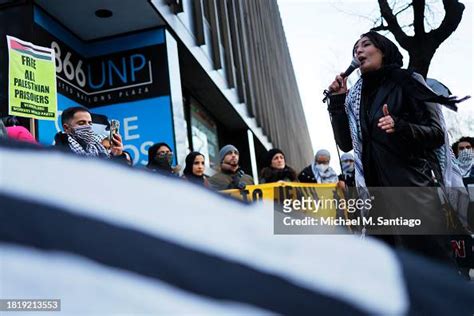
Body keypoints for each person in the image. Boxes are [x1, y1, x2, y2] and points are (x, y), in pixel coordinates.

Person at [326, 31, 468, 261]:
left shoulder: (408, 80)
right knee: (389, 274)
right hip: (375, 202)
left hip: (412, 192)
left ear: (383, 50)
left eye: (366, 45)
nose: (358, 51)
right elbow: (345, 144)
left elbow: (436, 133)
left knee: (429, 267)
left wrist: (400, 126)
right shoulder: (355, 97)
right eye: (355, 49)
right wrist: (337, 101)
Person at [54, 106, 125, 159]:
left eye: (90, 123)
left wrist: (118, 156)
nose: (88, 127)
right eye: (81, 123)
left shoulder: (98, 149)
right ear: (66, 128)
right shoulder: (57, 155)